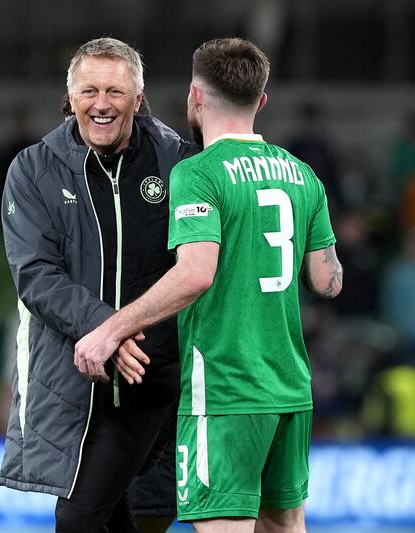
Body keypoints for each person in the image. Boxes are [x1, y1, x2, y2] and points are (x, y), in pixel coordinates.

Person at [75, 37, 342, 533]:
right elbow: (327, 282)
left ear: (194, 96)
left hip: (224, 389)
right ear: (261, 101)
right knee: (285, 524)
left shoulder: (197, 173)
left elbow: (196, 273)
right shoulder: (302, 175)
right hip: (289, 386)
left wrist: (112, 328)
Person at [0, 37, 196, 533]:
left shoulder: (178, 163)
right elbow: (36, 275)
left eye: (115, 91)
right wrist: (107, 329)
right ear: (70, 99)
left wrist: (124, 335)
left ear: (139, 98)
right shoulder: (33, 169)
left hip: (151, 376)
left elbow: (195, 268)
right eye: (89, 91)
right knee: (103, 517)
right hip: (73, 382)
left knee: (89, 517)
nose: (102, 104)